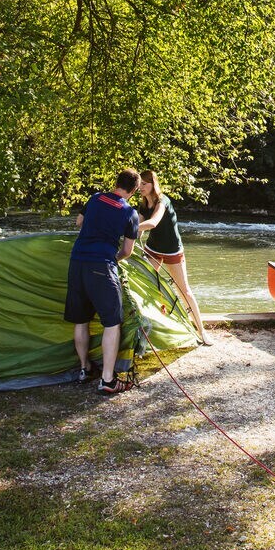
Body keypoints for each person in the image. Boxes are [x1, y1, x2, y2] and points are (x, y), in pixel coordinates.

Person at [66, 168, 142, 394]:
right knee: (112, 322)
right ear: (134, 190)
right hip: (102, 267)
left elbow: (79, 221)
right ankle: (107, 380)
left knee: (80, 320)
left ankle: (83, 369)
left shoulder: (95, 198)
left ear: (116, 183)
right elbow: (127, 250)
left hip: (77, 262)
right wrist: (112, 258)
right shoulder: (130, 213)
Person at [136, 169, 209, 344]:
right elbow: (138, 224)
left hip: (172, 251)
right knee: (146, 284)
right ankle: (153, 327)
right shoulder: (144, 204)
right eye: (139, 184)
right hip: (152, 249)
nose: (141, 187)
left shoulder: (163, 201)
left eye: (144, 184)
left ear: (153, 184)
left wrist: (131, 228)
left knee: (185, 291)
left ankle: (202, 331)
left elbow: (153, 223)